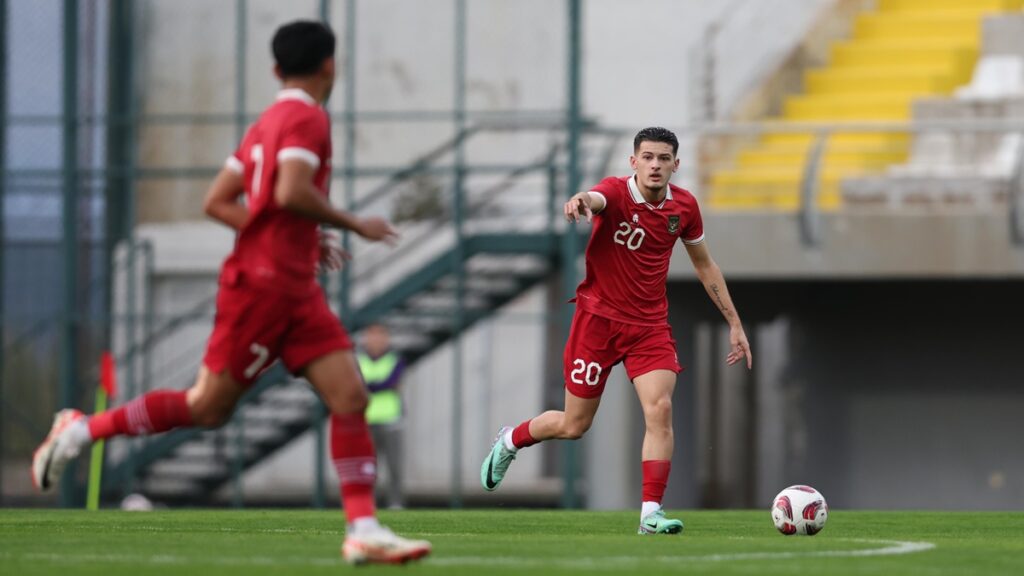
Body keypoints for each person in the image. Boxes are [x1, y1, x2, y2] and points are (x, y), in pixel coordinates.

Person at [31, 20, 430, 565]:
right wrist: (351, 223)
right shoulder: (308, 118)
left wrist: (295, 240)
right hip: (263, 289)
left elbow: (218, 201)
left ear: (274, 69)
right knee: (206, 407)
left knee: (351, 396)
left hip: (295, 287)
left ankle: (363, 528)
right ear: (329, 67)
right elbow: (290, 190)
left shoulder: (266, 122)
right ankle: (84, 428)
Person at [480, 127, 752, 535]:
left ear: (676, 165)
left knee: (659, 409)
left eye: (663, 158)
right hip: (598, 322)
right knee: (575, 425)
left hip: (649, 327)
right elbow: (595, 197)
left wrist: (734, 322)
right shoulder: (616, 192)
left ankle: (650, 514)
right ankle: (511, 440)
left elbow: (704, 264)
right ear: (633, 162)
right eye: (647, 157)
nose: (655, 165)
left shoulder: (685, 207)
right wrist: (579, 200)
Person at [357, 323, 407, 509]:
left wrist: (370, 385)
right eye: (372, 335)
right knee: (367, 468)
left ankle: (396, 503)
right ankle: (366, 504)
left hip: (390, 420)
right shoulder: (358, 359)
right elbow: (359, 383)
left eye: (380, 336)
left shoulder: (395, 359)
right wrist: (375, 385)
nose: (376, 340)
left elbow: (390, 382)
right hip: (366, 420)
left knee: (394, 466)